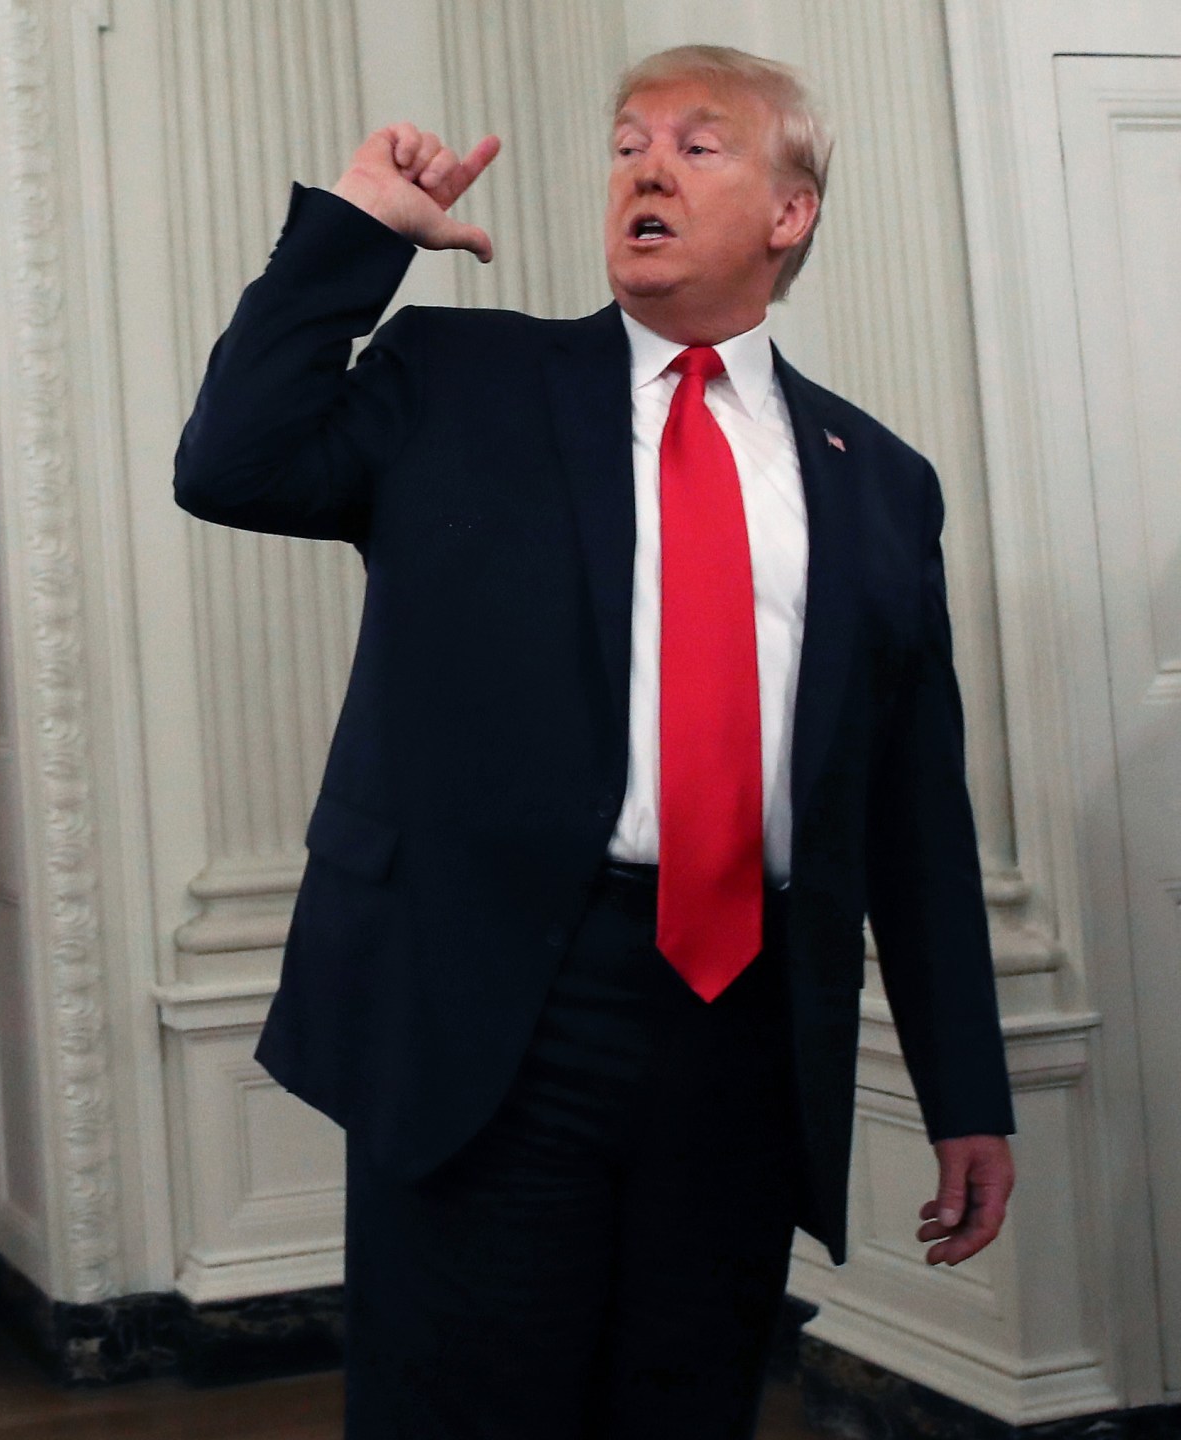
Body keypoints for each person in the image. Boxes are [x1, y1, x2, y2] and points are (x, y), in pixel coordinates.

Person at [171, 44, 1016, 1439]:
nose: (645, 165)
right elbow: (230, 464)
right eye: (629, 141)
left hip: (742, 1028)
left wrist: (965, 1092)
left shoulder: (882, 483)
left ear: (790, 213)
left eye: (698, 143)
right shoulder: (462, 377)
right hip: (497, 1012)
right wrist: (360, 234)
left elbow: (916, 810)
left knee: (683, 1408)